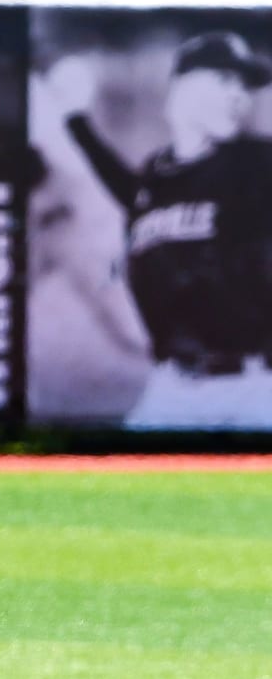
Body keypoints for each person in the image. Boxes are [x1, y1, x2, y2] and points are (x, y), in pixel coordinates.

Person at [55, 29, 272, 429]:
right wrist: (76, 121)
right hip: (171, 386)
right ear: (183, 86)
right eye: (225, 80)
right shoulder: (158, 178)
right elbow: (129, 191)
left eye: (245, 87)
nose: (239, 96)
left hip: (251, 388)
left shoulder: (255, 166)